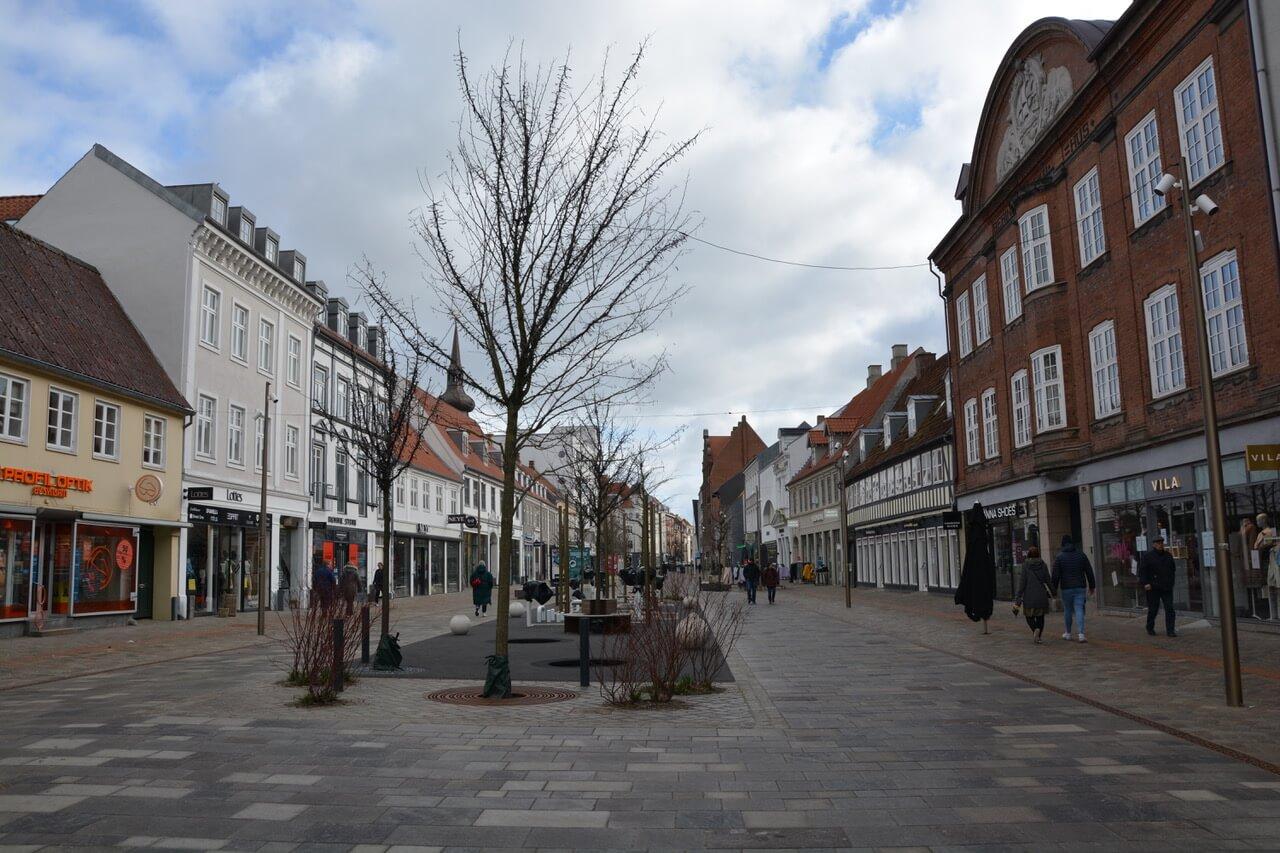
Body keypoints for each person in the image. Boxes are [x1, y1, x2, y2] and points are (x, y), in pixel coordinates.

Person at [1051, 535, 1096, 643]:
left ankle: (1068, 633)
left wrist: (1053, 590)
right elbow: (1089, 571)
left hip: (1066, 588)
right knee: (1079, 608)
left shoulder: (1060, 557)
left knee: (1068, 610)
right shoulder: (1081, 555)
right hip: (1080, 586)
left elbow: (1055, 575)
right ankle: (1081, 634)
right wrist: (1092, 586)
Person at [1138, 536, 1177, 637]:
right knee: (1153, 609)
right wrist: (1145, 583)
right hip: (1153, 587)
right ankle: (1150, 627)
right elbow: (1142, 572)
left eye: (1161, 543)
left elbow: (1173, 569)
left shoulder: (1168, 555)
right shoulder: (1147, 557)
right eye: (1158, 543)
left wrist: (1171, 582)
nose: (1160, 545)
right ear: (1154, 545)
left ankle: (1170, 630)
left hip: (1166, 587)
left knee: (1169, 608)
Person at [1013, 546, 1052, 644]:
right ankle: (1038, 636)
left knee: (1029, 616)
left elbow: (1022, 583)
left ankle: (1035, 630)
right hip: (1041, 596)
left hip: (1029, 597)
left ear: (1028, 554)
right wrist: (1054, 591)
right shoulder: (1043, 565)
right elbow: (1048, 580)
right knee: (1040, 617)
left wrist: (1018, 596)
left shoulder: (1025, 566)